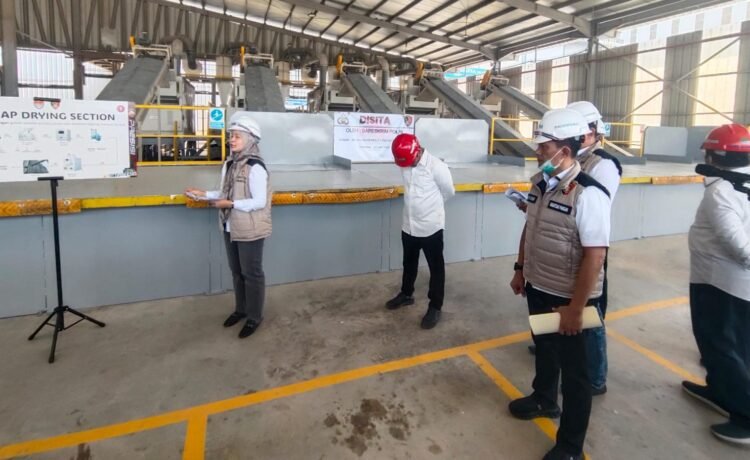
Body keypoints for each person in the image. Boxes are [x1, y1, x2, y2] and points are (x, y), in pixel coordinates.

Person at [509, 108, 611, 460]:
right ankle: (544, 398)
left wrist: (576, 309)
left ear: (564, 151)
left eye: (544, 147)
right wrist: (520, 269)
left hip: (569, 299)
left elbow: (595, 257)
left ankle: (570, 445)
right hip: (539, 286)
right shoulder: (540, 183)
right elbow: (531, 227)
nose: (538, 152)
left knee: (576, 374)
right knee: (545, 349)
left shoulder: (590, 194)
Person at [684, 123, 750, 445]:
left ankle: (745, 416)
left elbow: (739, 246)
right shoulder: (741, 182)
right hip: (733, 285)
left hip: (719, 283)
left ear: (715, 155)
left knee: (720, 345)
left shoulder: (721, 191)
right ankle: (720, 390)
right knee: (737, 344)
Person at [185, 112, 271, 339]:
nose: (231, 140)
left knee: (252, 273)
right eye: (230, 136)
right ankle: (241, 309)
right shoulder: (230, 164)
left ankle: (254, 317)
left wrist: (231, 204)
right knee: (237, 272)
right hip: (229, 225)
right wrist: (203, 194)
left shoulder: (255, 167)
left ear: (250, 139)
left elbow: (259, 201)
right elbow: (224, 192)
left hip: (250, 228)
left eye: (237, 136)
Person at [566, 100, 623, 396]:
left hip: (587, 245)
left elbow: (595, 207)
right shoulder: (569, 157)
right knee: (562, 298)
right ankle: (559, 342)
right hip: (562, 244)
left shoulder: (604, 165)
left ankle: (595, 376)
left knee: (590, 310)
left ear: (590, 131)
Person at [385, 133, 455, 329]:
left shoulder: (437, 167)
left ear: (417, 152)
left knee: (436, 268)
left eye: (409, 161)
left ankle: (435, 306)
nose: (406, 166)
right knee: (409, 263)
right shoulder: (406, 163)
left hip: (431, 227)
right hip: (408, 225)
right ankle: (406, 294)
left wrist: (430, 209)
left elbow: (449, 192)